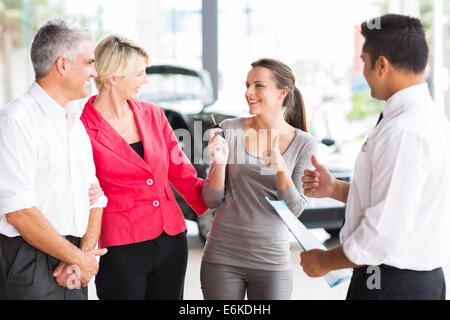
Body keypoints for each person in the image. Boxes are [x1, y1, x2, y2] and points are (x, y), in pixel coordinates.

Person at [300, 14, 450, 300]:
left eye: (363, 60)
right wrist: (336, 189)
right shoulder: (427, 118)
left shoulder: (404, 132)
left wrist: (324, 261)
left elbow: (383, 234)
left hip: (391, 284)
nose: (362, 71)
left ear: (382, 65)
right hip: (406, 281)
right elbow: (401, 203)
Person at [80, 34, 208, 300]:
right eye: (140, 74)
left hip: (171, 239)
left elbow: (181, 173)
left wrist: (222, 199)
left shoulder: (153, 114)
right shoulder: (80, 125)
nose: (146, 80)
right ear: (114, 77)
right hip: (120, 244)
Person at [0, 16, 108, 300]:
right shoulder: (15, 121)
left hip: (72, 260)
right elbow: (19, 211)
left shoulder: (75, 123)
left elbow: (95, 197)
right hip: (28, 259)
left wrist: (82, 256)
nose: (93, 73)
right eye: (88, 63)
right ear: (63, 65)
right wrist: (79, 259)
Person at [201, 58, 317, 300]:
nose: (249, 93)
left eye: (258, 86)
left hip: (272, 262)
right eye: (247, 85)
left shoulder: (304, 143)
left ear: (282, 93)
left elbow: (295, 209)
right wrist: (220, 163)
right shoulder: (228, 129)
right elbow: (211, 200)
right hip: (222, 258)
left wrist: (281, 169)